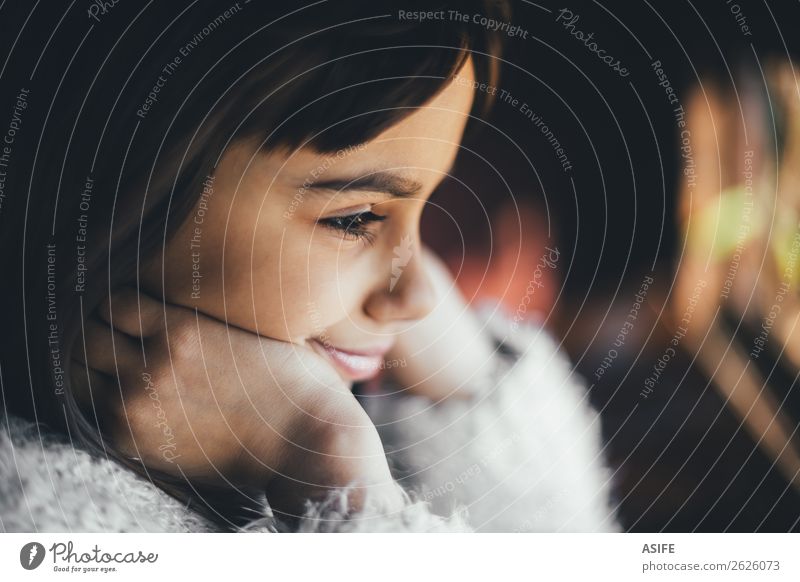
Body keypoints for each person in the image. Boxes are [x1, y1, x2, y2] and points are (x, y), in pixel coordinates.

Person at [0, 0, 617, 532]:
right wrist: (340, 479)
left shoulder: (367, 408)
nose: (420, 297)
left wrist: (467, 387)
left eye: (423, 210)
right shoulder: (39, 519)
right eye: (355, 219)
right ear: (106, 187)